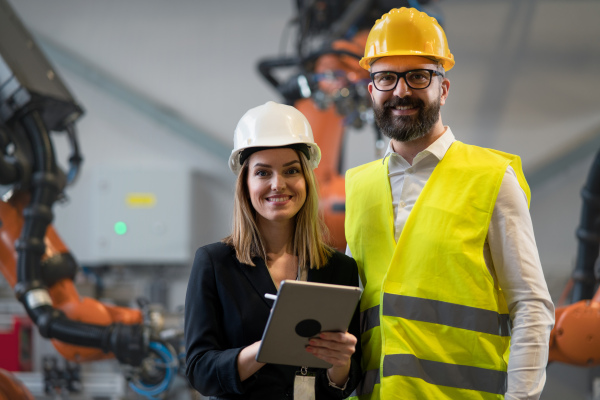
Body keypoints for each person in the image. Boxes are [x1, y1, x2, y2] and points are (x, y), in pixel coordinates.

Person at [344, 8, 555, 400]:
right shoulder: (358, 188)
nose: (401, 91)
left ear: (443, 88)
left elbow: (531, 306)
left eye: (418, 75)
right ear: (371, 89)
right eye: (386, 77)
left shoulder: (491, 178)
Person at [185, 101, 362, 399]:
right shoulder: (215, 264)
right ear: (246, 184)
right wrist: (267, 347)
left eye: (291, 170)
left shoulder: (339, 268)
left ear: (306, 179)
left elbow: (344, 383)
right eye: (263, 173)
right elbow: (199, 371)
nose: (278, 184)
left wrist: (340, 363)